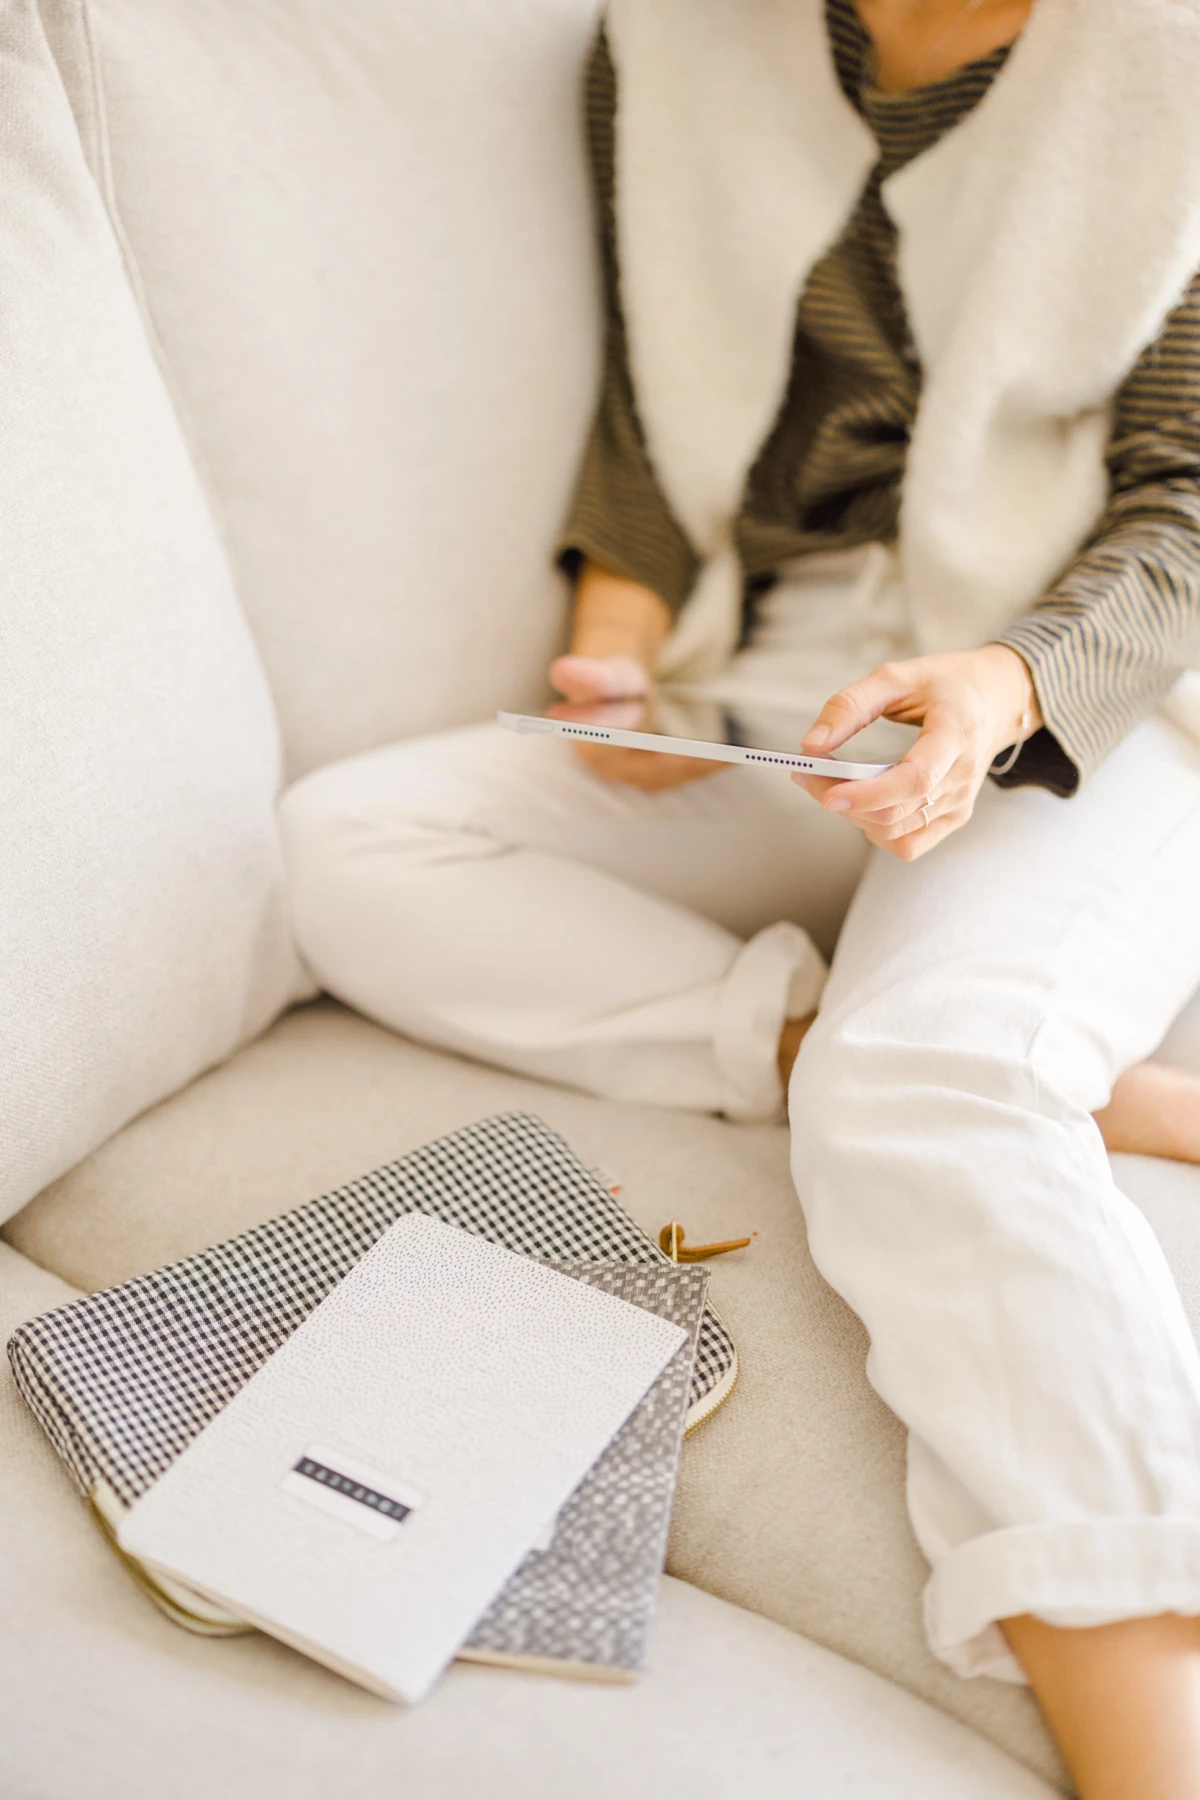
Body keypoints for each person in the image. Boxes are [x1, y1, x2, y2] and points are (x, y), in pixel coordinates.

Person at [281, 1, 1200, 1791]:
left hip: (1077, 688)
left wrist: (1007, 684)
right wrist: (613, 659)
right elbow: (654, 410)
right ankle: (1065, 1079)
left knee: (920, 1086)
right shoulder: (676, 41)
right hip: (781, 691)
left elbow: (1192, 507)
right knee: (348, 839)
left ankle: (1151, 1737)